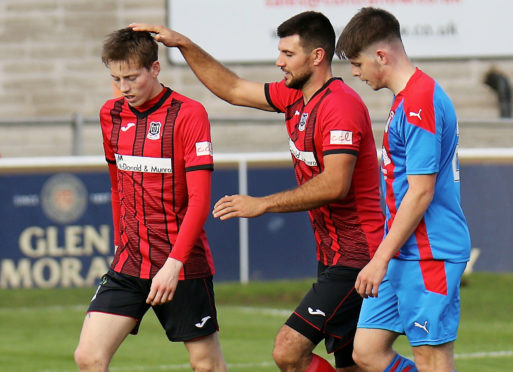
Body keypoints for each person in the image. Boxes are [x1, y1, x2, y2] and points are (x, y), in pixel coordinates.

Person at [132, 10, 384, 372]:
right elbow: (232, 88)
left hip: (359, 255)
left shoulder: (339, 106)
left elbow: (335, 183)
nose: (279, 62)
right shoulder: (294, 97)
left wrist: (261, 204)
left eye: (288, 54)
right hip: (333, 255)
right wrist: (184, 44)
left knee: (288, 350)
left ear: (317, 57)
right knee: (352, 364)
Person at [73, 28, 227, 372]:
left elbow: (200, 199)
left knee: (206, 364)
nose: (124, 87)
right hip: (130, 261)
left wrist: (174, 264)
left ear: (155, 69)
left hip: (181, 263)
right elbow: (117, 186)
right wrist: (118, 244)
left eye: (131, 77)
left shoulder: (189, 114)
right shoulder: (109, 115)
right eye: (116, 78)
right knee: (88, 357)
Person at [336, 7, 471, 372]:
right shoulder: (406, 100)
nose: (355, 72)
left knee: (432, 357)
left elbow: (421, 191)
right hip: (402, 250)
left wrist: (379, 259)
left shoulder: (419, 102)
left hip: (430, 252)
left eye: (357, 62)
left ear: (382, 56)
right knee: (366, 351)